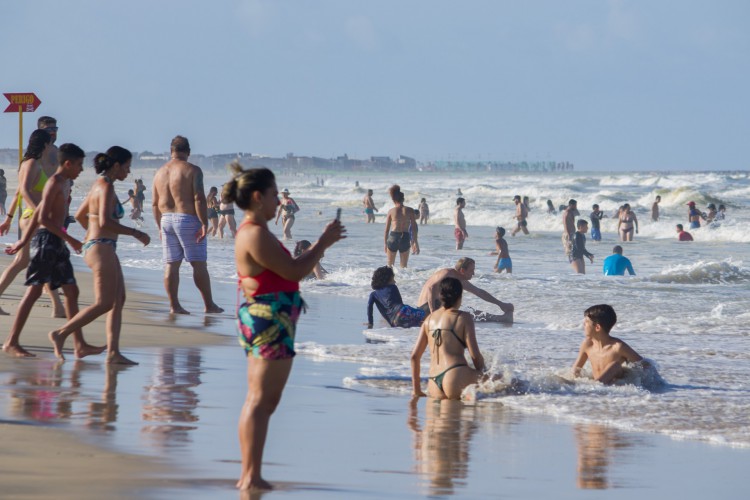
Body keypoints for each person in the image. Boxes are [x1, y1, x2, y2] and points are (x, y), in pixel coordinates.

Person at [228, 161, 345, 490]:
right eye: (273, 194)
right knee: (260, 400)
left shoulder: (256, 231)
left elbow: (287, 272)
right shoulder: (253, 233)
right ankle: (249, 475)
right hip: (268, 318)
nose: (278, 201)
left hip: (268, 317)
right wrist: (323, 243)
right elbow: (293, 272)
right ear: (257, 197)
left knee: (264, 400)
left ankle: (251, 472)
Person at [35, 147, 150, 364]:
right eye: (126, 167)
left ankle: (113, 352)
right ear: (116, 166)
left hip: (100, 246)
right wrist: (136, 233)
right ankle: (60, 333)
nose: (128, 171)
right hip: (101, 247)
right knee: (104, 303)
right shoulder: (105, 187)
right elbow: (106, 222)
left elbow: (80, 215)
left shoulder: (99, 185)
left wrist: (91, 236)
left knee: (118, 299)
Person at [3, 143, 104, 359]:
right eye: (78, 164)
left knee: (72, 291)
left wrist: (22, 242)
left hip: (56, 242)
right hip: (47, 240)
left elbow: (39, 212)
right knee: (34, 291)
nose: (81, 169)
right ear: (67, 163)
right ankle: (11, 342)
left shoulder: (64, 182)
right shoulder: (54, 183)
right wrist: (71, 239)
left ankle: (79, 344)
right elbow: (42, 218)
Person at [152, 135, 223, 314]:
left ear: (171, 151)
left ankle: (174, 305)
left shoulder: (159, 172)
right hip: (188, 219)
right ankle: (209, 305)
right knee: (198, 264)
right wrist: (204, 223)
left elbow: (154, 203)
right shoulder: (193, 170)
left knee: (171, 264)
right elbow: (199, 198)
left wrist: (159, 227)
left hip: (166, 219)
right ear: (188, 152)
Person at [0, 129, 66, 317]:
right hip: (33, 218)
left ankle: (58, 308)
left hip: (30, 217)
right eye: (49, 144)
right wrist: (41, 212)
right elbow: (26, 192)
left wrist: (9, 219)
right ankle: (58, 308)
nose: (50, 147)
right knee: (44, 261)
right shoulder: (31, 164)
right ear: (44, 145)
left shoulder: (31, 163)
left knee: (23, 261)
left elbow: (19, 193)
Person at [410, 277, 487, 400]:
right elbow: (475, 355)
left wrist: (417, 390)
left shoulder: (428, 320)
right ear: (460, 296)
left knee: (443, 418)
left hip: (433, 382)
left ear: (440, 295)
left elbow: (414, 356)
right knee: (503, 381)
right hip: (455, 375)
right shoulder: (463, 318)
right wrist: (483, 374)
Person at [417, 257, 513, 322]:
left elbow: (479, 292)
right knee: (465, 317)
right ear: (462, 271)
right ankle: (501, 319)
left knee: (470, 312)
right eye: (471, 270)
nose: (473, 273)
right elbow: (431, 288)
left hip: (431, 307)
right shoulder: (448, 274)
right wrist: (433, 312)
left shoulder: (458, 277)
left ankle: (500, 318)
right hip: (425, 309)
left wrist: (500, 304)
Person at [572, 304, 647, 384]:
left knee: (615, 366)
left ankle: (597, 385)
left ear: (597, 327)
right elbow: (576, 371)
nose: (583, 325)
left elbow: (646, 365)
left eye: (586, 322)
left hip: (613, 387)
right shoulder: (587, 345)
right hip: (600, 390)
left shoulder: (617, 347)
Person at [384, 185, 419, 268]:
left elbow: (386, 230)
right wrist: (415, 243)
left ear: (394, 199)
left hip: (393, 237)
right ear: (403, 199)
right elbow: (414, 228)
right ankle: (403, 280)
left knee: (389, 266)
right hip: (405, 237)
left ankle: (389, 280)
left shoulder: (391, 211)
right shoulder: (410, 210)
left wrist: (385, 244)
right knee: (404, 267)